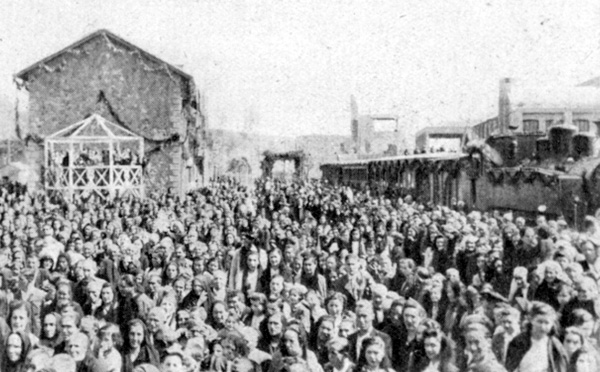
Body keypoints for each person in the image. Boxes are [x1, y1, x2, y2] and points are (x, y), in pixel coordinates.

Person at [505, 301, 568, 372]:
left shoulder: (555, 345)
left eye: (546, 323)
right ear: (531, 320)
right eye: (539, 321)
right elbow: (509, 367)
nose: (542, 327)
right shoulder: (519, 341)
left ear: (552, 324)